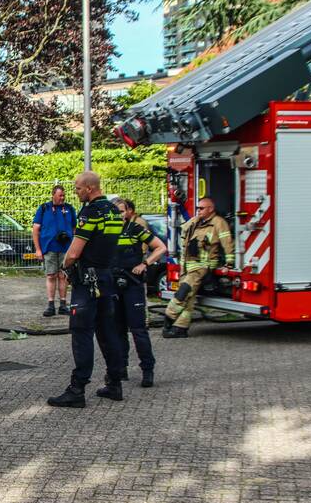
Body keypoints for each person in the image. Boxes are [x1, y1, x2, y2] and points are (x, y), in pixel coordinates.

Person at [46, 171, 125, 407]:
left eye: (78, 188)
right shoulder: (114, 211)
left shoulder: (90, 212)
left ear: (89, 189)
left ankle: (77, 389)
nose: (75, 192)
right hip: (106, 278)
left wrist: (65, 268)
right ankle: (114, 383)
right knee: (107, 331)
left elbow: (74, 250)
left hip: (87, 281)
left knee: (81, 333)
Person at [110, 198, 167, 388]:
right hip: (113, 286)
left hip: (133, 285)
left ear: (128, 212)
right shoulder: (107, 233)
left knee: (138, 330)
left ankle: (147, 370)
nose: (119, 215)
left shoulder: (135, 229)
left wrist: (145, 264)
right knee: (117, 331)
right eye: (115, 211)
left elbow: (160, 247)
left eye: (121, 211)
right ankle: (120, 368)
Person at [163, 197, 234, 338]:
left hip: (202, 266)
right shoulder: (195, 222)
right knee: (189, 298)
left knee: (183, 293)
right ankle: (180, 327)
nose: (198, 211)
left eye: (201, 208)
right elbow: (183, 231)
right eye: (197, 208)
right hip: (186, 266)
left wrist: (229, 264)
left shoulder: (218, 223)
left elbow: (227, 243)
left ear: (211, 209)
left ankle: (168, 318)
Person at [32, 185, 76, 317]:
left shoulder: (69, 209)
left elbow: (74, 229)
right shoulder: (44, 208)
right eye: (60, 195)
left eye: (63, 195)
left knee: (63, 276)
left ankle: (63, 304)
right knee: (51, 275)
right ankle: (50, 305)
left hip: (65, 248)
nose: (62, 197)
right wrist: (38, 249)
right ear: (53, 195)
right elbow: (35, 229)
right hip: (49, 247)